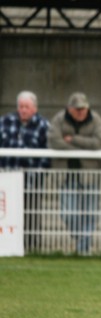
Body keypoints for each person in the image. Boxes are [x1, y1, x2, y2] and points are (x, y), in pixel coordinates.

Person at [48, 92, 101, 255]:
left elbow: (99, 142)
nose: (80, 112)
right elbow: (55, 141)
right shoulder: (59, 119)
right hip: (66, 176)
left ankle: (83, 250)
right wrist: (81, 150)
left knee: (91, 213)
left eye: (83, 108)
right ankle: (81, 239)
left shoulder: (96, 119)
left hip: (90, 175)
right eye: (77, 109)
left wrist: (73, 139)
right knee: (67, 214)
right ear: (69, 108)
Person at [0, 90, 49, 252]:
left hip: (31, 179)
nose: (23, 110)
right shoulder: (5, 121)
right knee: (6, 213)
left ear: (34, 108)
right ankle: (6, 246)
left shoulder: (43, 125)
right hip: (6, 179)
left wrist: (38, 173)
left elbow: (47, 154)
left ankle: (32, 247)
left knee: (31, 213)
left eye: (27, 106)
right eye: (20, 106)